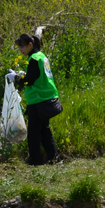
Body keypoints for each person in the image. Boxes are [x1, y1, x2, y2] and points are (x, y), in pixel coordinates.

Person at [12, 32, 63, 166]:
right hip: (48, 98)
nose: (21, 50)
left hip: (38, 100)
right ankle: (55, 159)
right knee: (45, 131)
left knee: (34, 134)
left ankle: (36, 162)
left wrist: (18, 78)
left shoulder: (34, 58)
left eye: (22, 47)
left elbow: (30, 80)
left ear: (30, 45)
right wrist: (24, 75)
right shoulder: (42, 57)